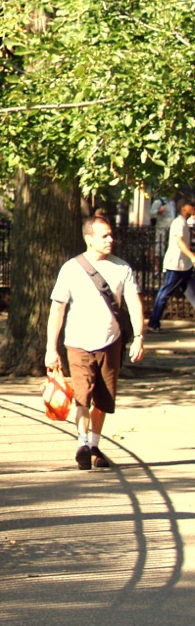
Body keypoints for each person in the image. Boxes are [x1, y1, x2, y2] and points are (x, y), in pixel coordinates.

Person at [46, 213, 145, 469]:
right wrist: (51, 348)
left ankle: (94, 445)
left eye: (111, 235)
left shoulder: (122, 268)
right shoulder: (71, 268)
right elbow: (57, 309)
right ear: (89, 239)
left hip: (110, 342)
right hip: (78, 343)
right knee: (82, 394)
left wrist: (139, 337)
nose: (110, 239)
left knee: (103, 398)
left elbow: (134, 303)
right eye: (104, 236)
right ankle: (82, 443)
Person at [147, 200, 195, 332]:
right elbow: (179, 242)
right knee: (164, 294)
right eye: (191, 205)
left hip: (185, 265)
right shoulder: (178, 222)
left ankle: (153, 323)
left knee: (193, 294)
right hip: (176, 264)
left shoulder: (184, 221)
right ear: (184, 207)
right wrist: (192, 256)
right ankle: (153, 323)